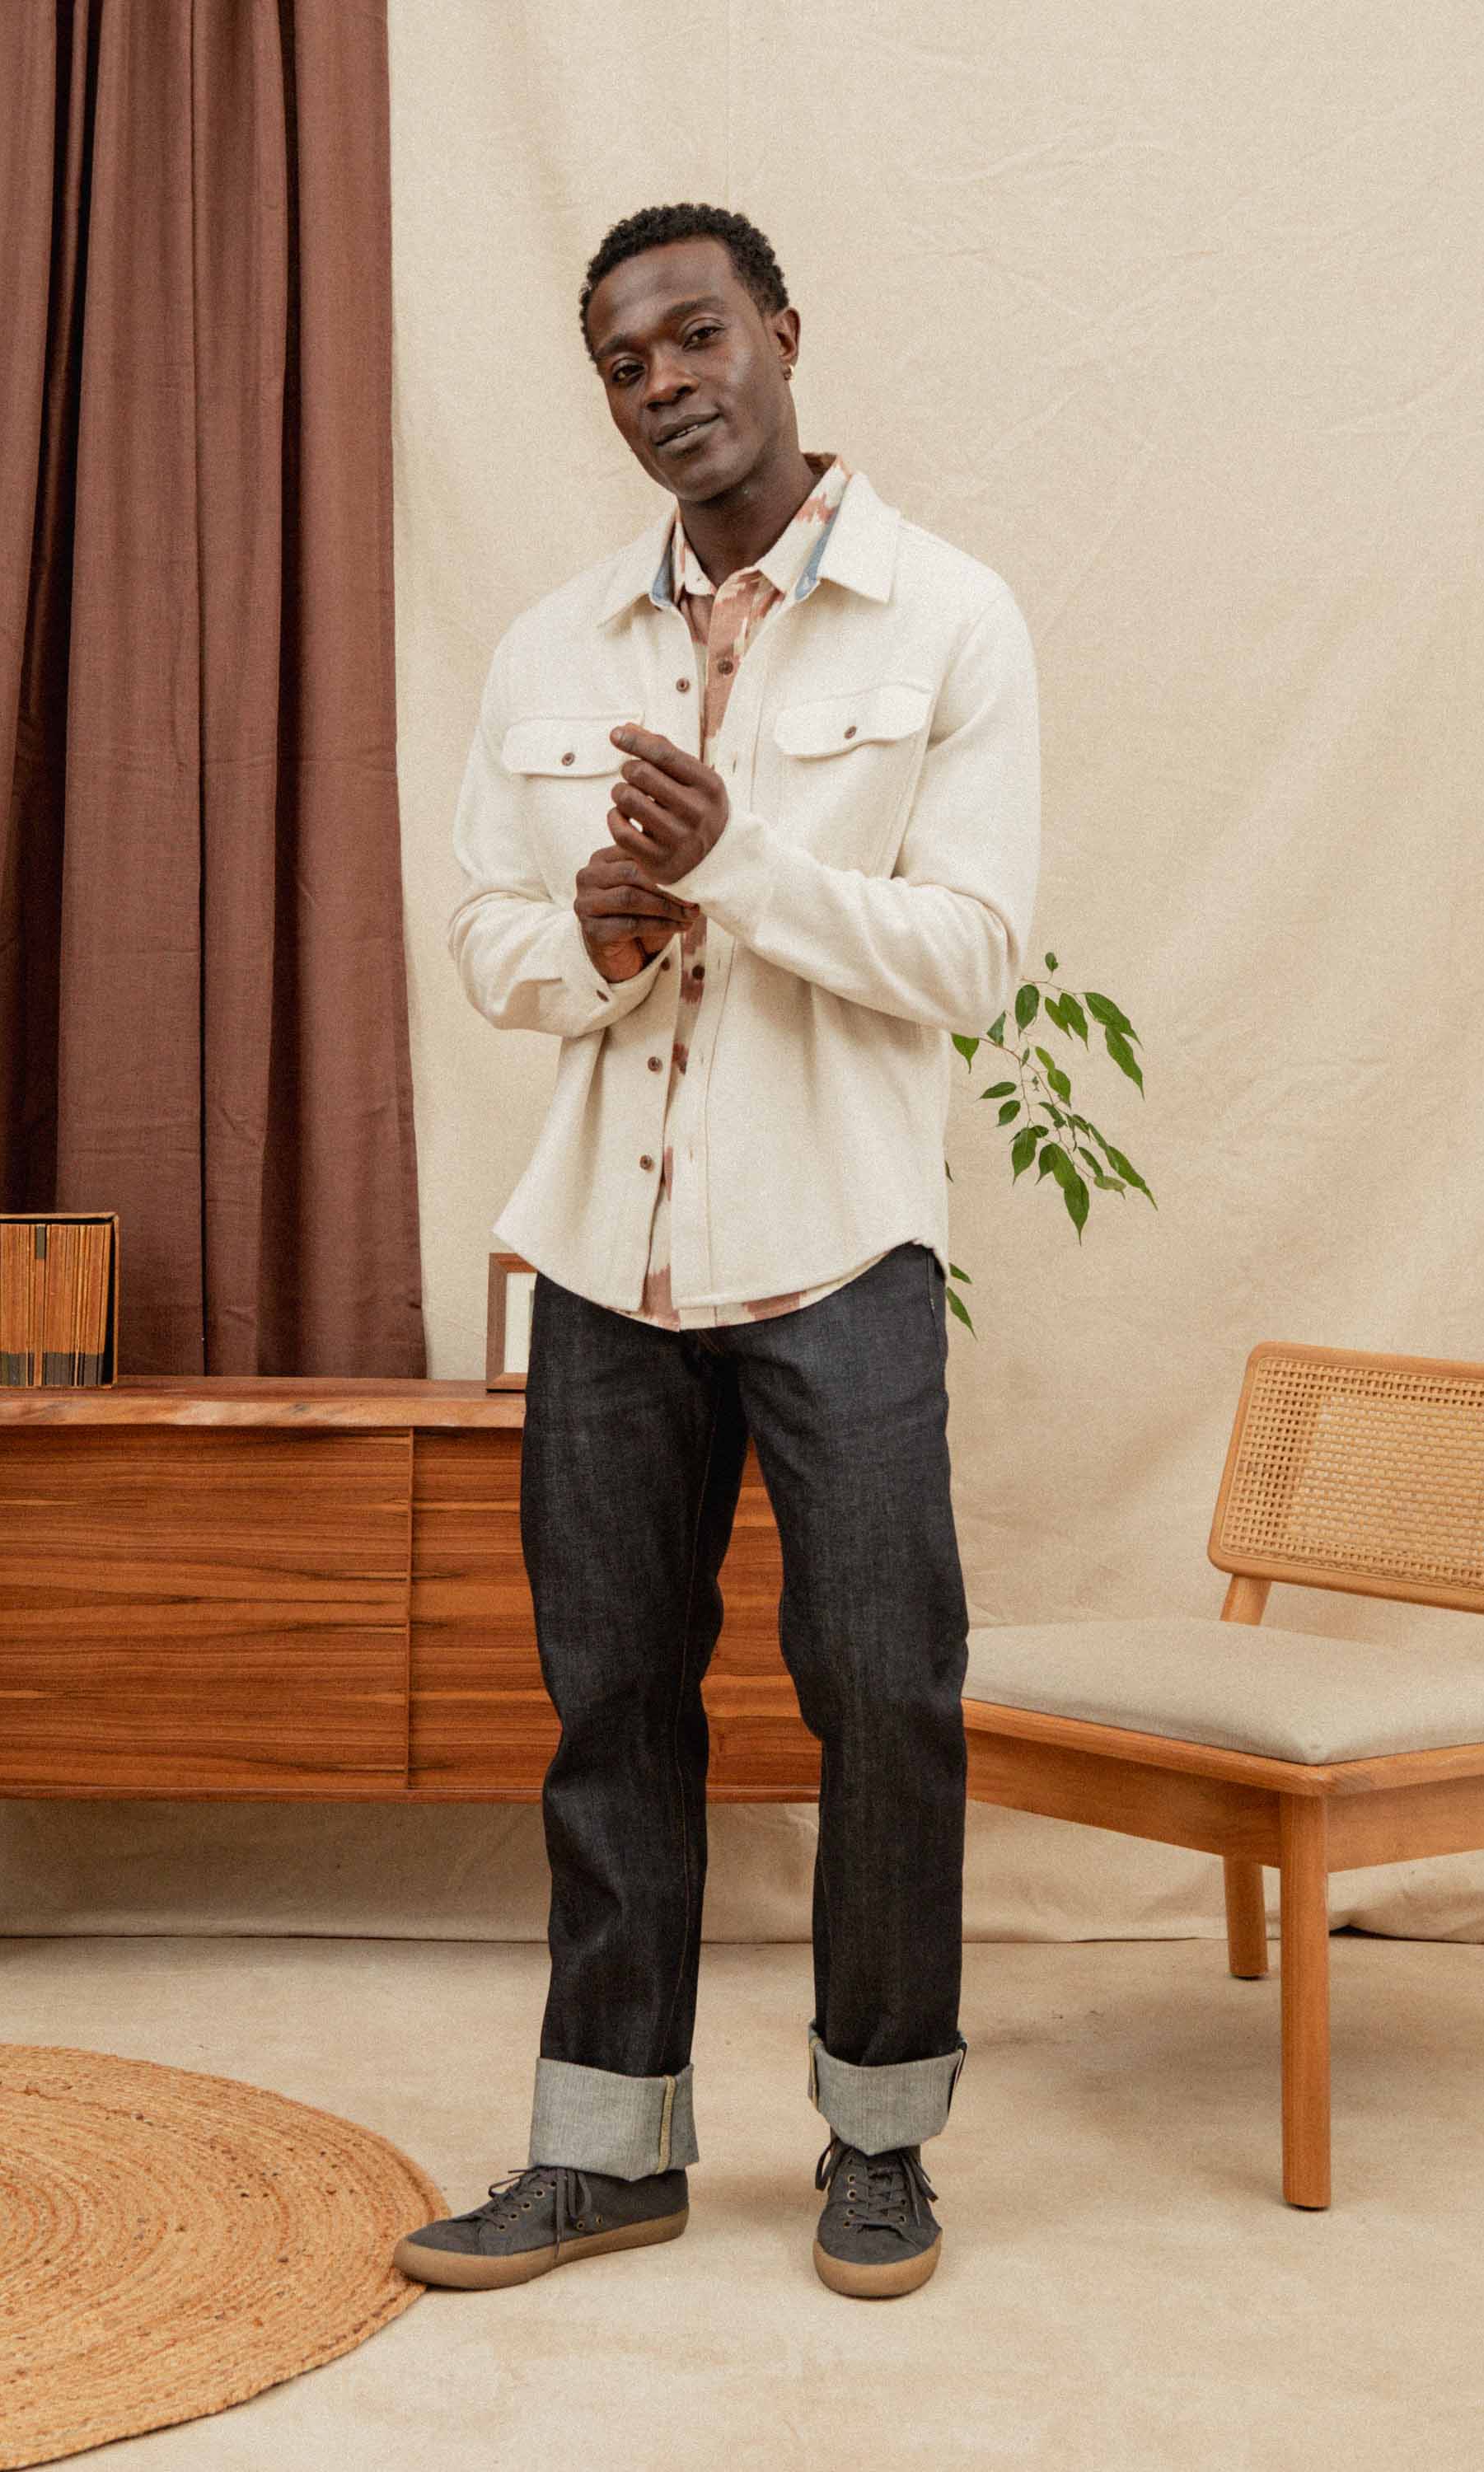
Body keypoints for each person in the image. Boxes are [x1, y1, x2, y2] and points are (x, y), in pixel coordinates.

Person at [396, 202, 1041, 2301]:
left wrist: (737, 868)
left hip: (840, 1245)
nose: (663, 382)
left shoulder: (948, 620)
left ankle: (878, 2144)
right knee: (609, 1707)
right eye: (621, 360)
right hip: (601, 1258)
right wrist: (594, 926)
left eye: (694, 336)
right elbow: (492, 942)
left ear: (781, 330)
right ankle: (606, 2156)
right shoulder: (552, 642)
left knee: (885, 1696)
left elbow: (970, 954)